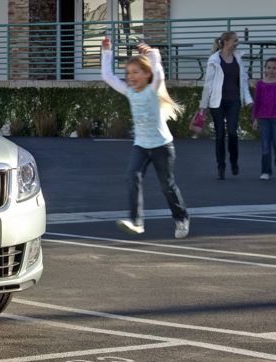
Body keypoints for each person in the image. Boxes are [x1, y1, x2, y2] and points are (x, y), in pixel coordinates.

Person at [101, 38, 190, 238]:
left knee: (167, 185)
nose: (130, 77)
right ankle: (136, 222)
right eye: (128, 73)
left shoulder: (153, 89)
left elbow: (159, 73)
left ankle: (181, 218)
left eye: (135, 72)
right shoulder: (130, 92)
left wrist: (151, 54)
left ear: (146, 74)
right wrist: (106, 52)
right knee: (132, 176)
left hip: (162, 146)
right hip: (141, 146)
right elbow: (107, 76)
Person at [199, 31, 253, 179]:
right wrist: (203, 106)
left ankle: (234, 162)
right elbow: (208, 85)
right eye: (235, 40)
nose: (237, 43)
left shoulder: (238, 58)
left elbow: (243, 81)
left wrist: (248, 100)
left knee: (233, 133)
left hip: (234, 100)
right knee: (220, 135)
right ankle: (221, 167)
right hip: (217, 103)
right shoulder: (214, 60)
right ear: (226, 42)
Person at [251, 57, 276, 180]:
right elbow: (257, 102)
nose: (271, 70)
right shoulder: (260, 84)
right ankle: (266, 171)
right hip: (264, 119)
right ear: (265, 69)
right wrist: (255, 118)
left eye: (274, 68)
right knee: (265, 146)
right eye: (269, 68)